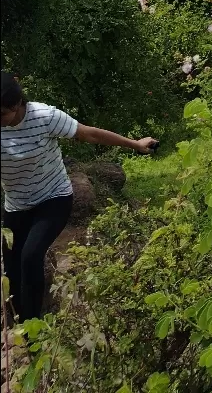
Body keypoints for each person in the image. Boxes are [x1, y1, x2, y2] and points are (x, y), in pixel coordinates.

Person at [1, 72, 158, 322]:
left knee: (30, 256)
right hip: (16, 205)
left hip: (52, 199)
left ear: (17, 103)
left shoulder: (45, 117)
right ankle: (16, 325)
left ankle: (32, 331)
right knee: (10, 268)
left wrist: (136, 144)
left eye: (1, 115)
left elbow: (90, 134)